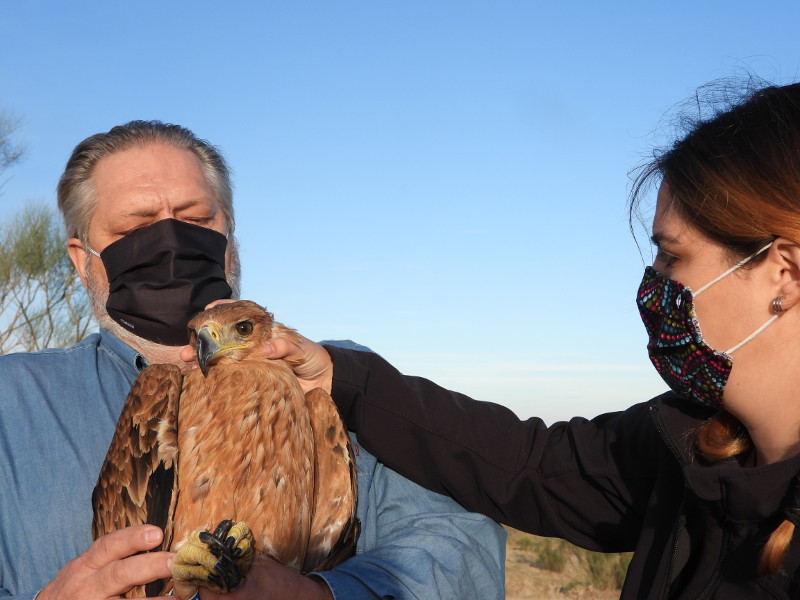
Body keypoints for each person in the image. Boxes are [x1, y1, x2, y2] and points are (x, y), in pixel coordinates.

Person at [268, 80, 800, 599]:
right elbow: (527, 464)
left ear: (784, 274)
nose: (652, 282)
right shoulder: (690, 446)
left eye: (672, 256)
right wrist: (343, 376)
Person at [0, 121, 507, 600]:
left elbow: (465, 545)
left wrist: (324, 593)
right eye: (136, 228)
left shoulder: (345, 378)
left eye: (197, 219)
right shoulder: (13, 399)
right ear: (81, 257)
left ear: (230, 238)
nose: (172, 243)